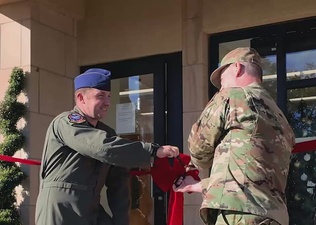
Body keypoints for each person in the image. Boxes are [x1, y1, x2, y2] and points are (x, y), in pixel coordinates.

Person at [35, 68, 179, 225]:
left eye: (109, 96)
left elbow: (119, 184)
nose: (107, 103)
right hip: (61, 209)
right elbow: (101, 147)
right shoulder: (66, 122)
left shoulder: (107, 133)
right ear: (80, 97)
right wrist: (153, 150)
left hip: (91, 207)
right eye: (100, 96)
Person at [174, 48, 295, 225]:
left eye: (222, 80)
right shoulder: (281, 118)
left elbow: (199, 151)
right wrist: (198, 185)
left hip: (239, 215)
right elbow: (253, 174)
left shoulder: (233, 96)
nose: (222, 86)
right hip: (274, 216)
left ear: (236, 68)